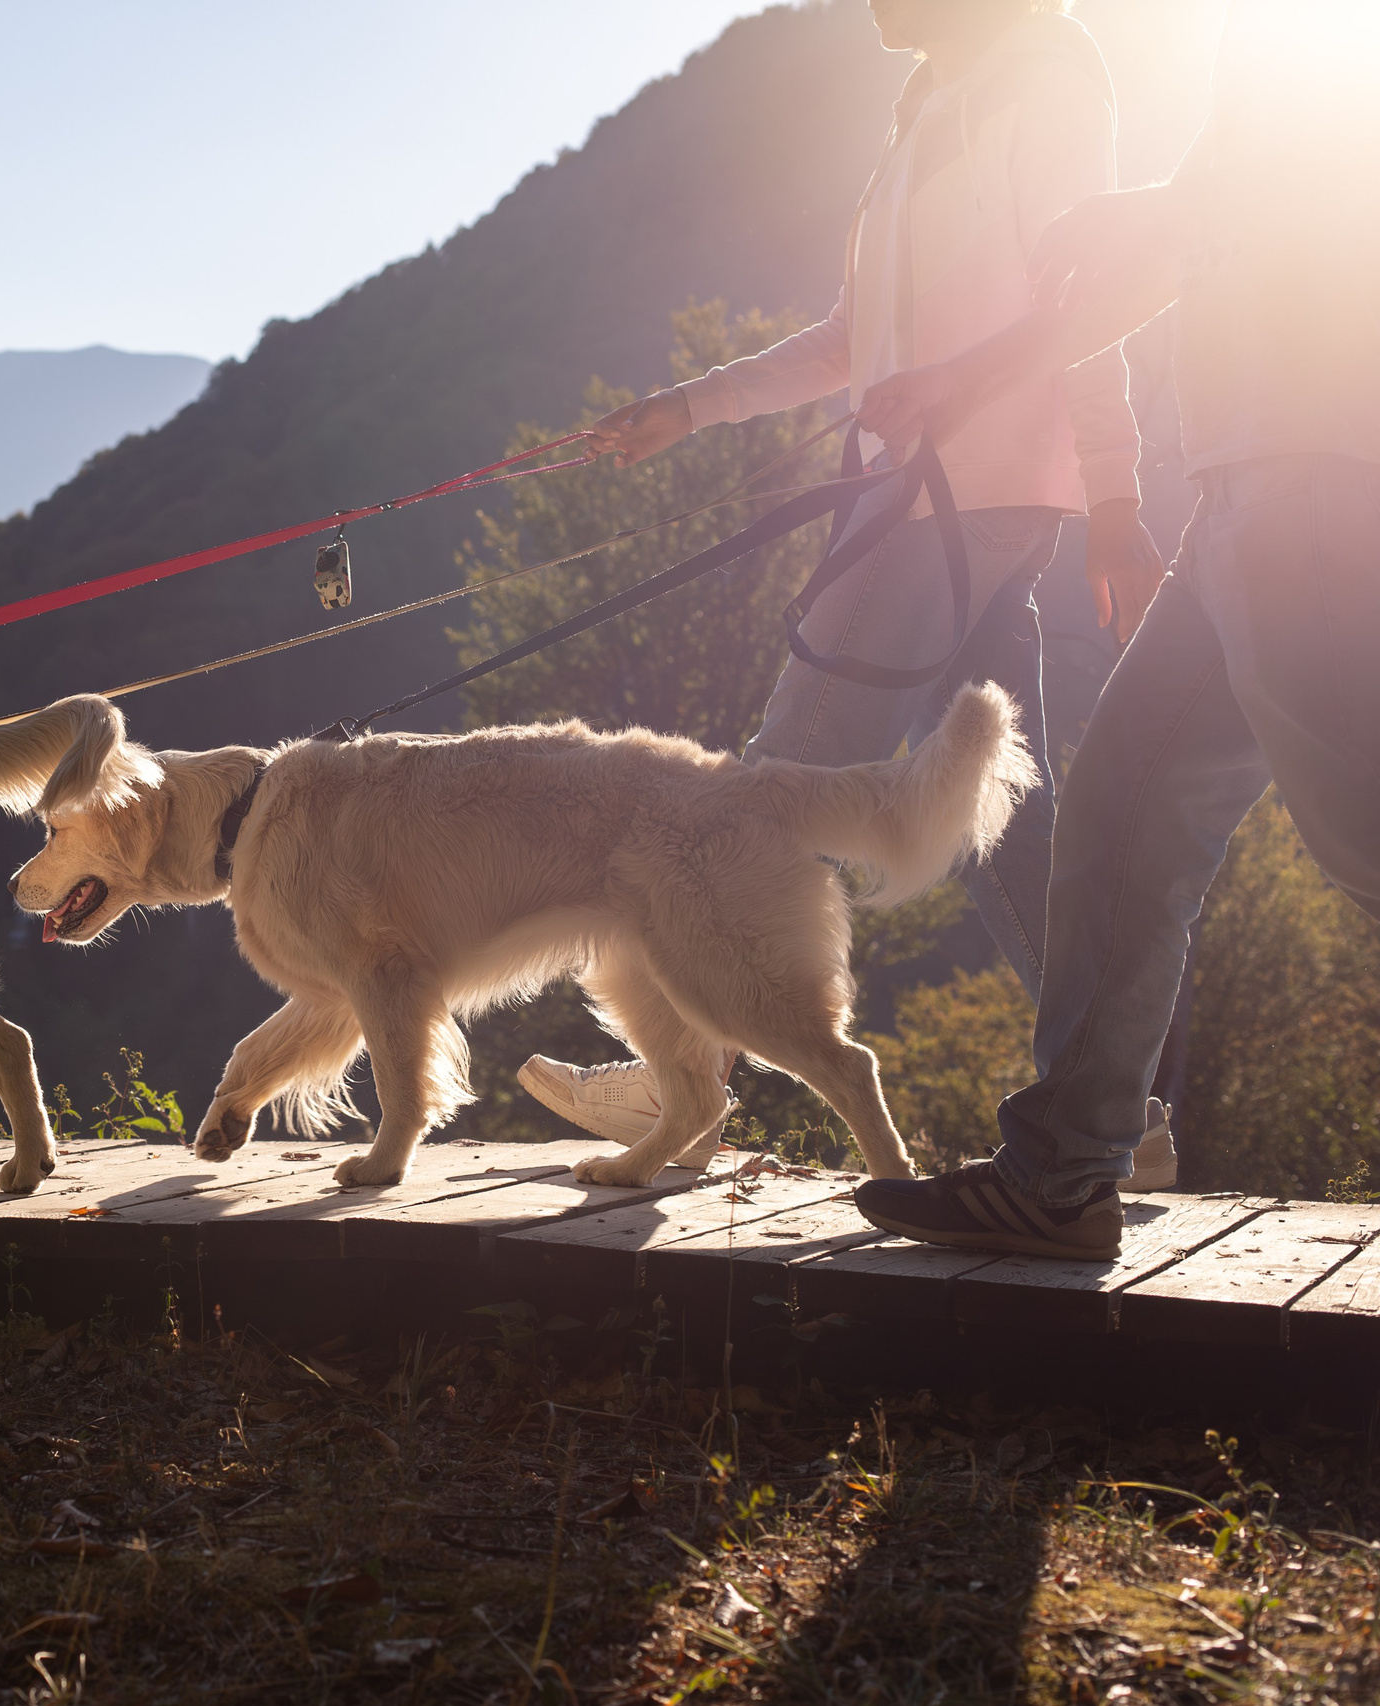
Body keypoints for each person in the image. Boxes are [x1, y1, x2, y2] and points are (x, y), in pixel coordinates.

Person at [516, 0, 1168, 1171]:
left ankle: (684, 1089)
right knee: (1007, 818)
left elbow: (1095, 302)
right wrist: (687, 408)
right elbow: (847, 337)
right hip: (932, 499)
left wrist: (1118, 502)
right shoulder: (929, 115)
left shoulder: (1047, 87)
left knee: (760, 795)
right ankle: (1114, 1113)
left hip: (948, 505)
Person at [850, 0, 1380, 1258]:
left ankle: (1059, 1167)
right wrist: (960, 381)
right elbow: (1184, 247)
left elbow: (1282, 189)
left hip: (1319, 477)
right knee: (1124, 818)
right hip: (1241, 490)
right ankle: (1060, 1174)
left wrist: (1145, 211)